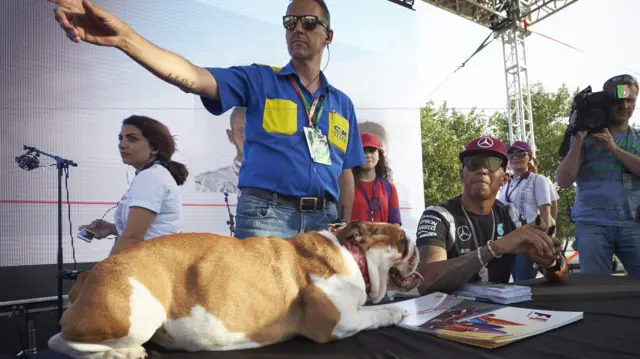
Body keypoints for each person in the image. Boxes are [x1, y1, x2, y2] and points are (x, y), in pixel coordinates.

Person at [48, 0, 365, 239]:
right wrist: (125, 39)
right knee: (260, 317)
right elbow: (193, 78)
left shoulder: (342, 104)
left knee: (321, 318)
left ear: (328, 35)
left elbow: (345, 173)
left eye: (309, 22)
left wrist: (346, 226)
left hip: (324, 221)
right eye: (290, 21)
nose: (297, 28)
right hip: (267, 217)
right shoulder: (259, 80)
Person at [414, 136, 566, 294]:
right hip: (448, 312)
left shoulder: (511, 216)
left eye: (492, 164)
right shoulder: (438, 216)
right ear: (461, 174)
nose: (482, 170)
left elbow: (560, 274)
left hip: (498, 313)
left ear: (504, 179)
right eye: (474, 164)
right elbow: (425, 280)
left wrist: (550, 262)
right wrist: (494, 248)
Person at [556, 74, 640, 276]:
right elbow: (563, 180)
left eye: (630, 100)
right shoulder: (584, 137)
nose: (624, 105)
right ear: (606, 102)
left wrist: (613, 149)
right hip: (592, 224)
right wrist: (577, 137)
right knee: (594, 288)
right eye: (618, 100)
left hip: (633, 224)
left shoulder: (637, 137)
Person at [78, 115, 188, 255]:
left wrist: (104, 272)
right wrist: (112, 228)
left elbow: (132, 238)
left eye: (132, 138)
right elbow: (153, 230)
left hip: (152, 264)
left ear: (154, 148)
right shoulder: (151, 175)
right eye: (121, 138)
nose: (122, 144)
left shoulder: (151, 177)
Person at [497, 141, 554, 281]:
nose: (515, 157)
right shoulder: (505, 183)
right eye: (511, 154)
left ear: (529, 157)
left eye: (520, 153)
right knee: (509, 285)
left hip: (527, 242)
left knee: (524, 284)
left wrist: (540, 245)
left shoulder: (538, 180)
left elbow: (547, 219)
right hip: (507, 241)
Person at [351, 132, 401, 224]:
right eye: (363, 151)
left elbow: (395, 223)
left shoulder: (389, 187)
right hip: (354, 238)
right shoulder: (348, 186)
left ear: (379, 156)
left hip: (382, 238)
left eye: (372, 150)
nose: (368, 155)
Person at [195, 107, 245, 193]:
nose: (251, 139)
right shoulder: (207, 182)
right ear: (230, 136)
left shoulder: (275, 179)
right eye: (243, 132)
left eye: (258, 133)